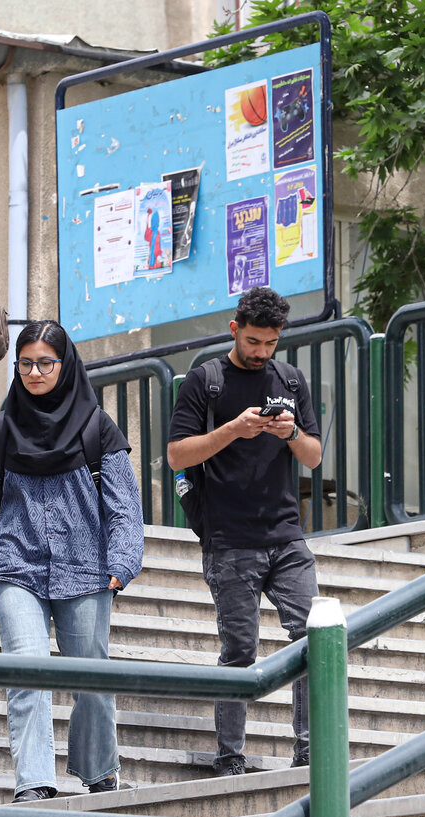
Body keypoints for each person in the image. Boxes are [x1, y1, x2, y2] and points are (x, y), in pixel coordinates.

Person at [0, 320, 143, 802]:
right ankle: (35, 781)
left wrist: (122, 562)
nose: (35, 372)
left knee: (92, 676)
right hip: (15, 566)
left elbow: (123, 504)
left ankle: (99, 769)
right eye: (26, 364)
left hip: (86, 569)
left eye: (46, 363)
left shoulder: (97, 428)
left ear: (65, 365)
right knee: (27, 669)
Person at [166, 287, 322, 775]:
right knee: (240, 650)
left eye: (270, 343)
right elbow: (177, 456)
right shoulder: (205, 380)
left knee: (312, 638)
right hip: (230, 541)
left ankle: (309, 751)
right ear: (234, 330)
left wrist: (291, 433)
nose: (261, 352)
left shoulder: (291, 380)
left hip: (287, 536)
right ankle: (230, 756)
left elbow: (315, 457)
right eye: (253, 341)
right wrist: (233, 429)